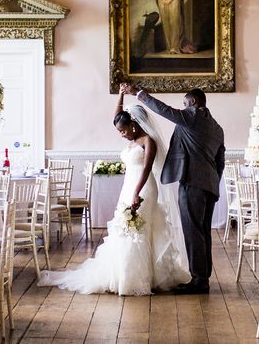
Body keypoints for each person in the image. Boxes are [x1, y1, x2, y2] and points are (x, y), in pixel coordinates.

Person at [38, 87, 191, 295]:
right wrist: (120, 95)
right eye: (119, 130)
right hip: (128, 187)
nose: (121, 134)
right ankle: (122, 274)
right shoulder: (131, 137)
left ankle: (139, 278)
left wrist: (137, 193)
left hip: (144, 187)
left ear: (134, 125)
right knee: (123, 229)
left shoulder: (148, 142)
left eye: (123, 130)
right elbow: (117, 118)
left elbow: (146, 170)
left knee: (139, 230)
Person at [120, 84, 225, 294]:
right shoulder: (216, 127)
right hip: (210, 185)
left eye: (185, 104)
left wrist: (138, 94)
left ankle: (198, 281)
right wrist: (213, 181)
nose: (183, 108)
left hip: (193, 182)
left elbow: (164, 110)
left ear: (194, 102)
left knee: (192, 231)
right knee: (203, 232)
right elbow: (220, 161)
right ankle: (203, 277)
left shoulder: (193, 116)